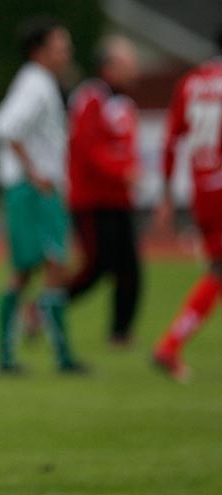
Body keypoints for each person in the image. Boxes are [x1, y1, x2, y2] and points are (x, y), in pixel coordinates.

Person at [0, 17, 84, 373]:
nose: (67, 52)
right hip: (31, 192)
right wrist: (35, 174)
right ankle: (42, 356)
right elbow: (6, 127)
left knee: (40, 269)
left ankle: (34, 354)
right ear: (39, 51)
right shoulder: (36, 83)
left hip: (33, 189)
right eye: (60, 45)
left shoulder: (39, 82)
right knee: (43, 267)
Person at [152, 32, 222, 382]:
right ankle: (169, 344)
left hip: (203, 191)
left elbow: (171, 139)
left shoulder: (191, 83)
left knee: (218, 271)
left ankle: (170, 344)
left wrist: (166, 193)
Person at [67, 36, 141, 346]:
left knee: (130, 269)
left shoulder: (123, 103)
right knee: (97, 266)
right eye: (126, 63)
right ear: (108, 67)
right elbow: (89, 148)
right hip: (92, 200)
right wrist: (122, 172)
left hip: (119, 200)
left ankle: (120, 333)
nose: (133, 69)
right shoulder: (91, 98)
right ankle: (44, 308)